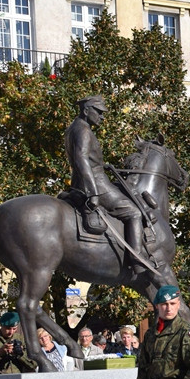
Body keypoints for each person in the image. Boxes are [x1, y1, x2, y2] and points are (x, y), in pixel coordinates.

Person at [65, 95, 146, 269]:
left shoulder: (73, 128)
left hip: (80, 182)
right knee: (134, 213)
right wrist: (93, 191)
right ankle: (137, 260)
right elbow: (81, 159)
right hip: (97, 184)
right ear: (86, 111)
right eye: (99, 112)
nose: (102, 117)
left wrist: (102, 164)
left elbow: (85, 158)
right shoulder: (84, 130)